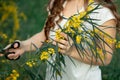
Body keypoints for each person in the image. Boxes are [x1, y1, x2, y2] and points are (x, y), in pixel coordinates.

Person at [3, 0, 120, 80]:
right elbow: (46, 35)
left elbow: (105, 57)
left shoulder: (103, 13)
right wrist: (23, 46)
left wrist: (72, 50)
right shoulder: (58, 3)